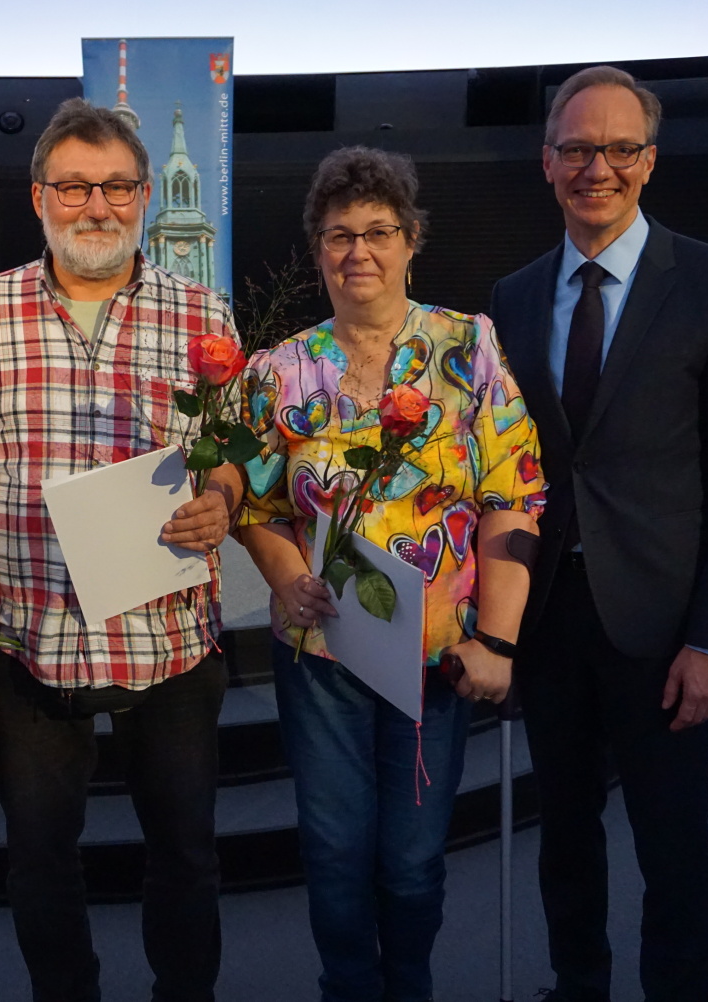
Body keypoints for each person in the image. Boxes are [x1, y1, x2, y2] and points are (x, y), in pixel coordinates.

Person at [0, 98, 243, 1002]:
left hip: (169, 636)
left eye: (116, 187)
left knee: (186, 857)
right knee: (39, 863)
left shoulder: (203, 310)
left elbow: (235, 451)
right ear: (40, 197)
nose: (97, 206)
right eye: (74, 186)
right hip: (28, 639)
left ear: (148, 196)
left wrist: (221, 499)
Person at [488, 66, 708, 1002]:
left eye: (617, 149)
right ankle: (579, 987)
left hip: (661, 625)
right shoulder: (515, 296)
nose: (595, 167)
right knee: (563, 835)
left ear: (648, 162)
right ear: (547, 163)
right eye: (576, 149)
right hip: (548, 619)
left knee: (670, 845)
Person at [236, 146, 546, 1002]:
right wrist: (285, 574)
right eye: (339, 235)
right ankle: (349, 990)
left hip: (437, 658)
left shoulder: (468, 347)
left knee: (410, 865)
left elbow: (512, 498)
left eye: (379, 232)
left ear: (412, 242)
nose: (358, 251)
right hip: (323, 653)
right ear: (317, 250)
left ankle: (408, 987)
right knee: (334, 856)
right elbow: (257, 508)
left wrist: (499, 639)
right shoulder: (278, 371)